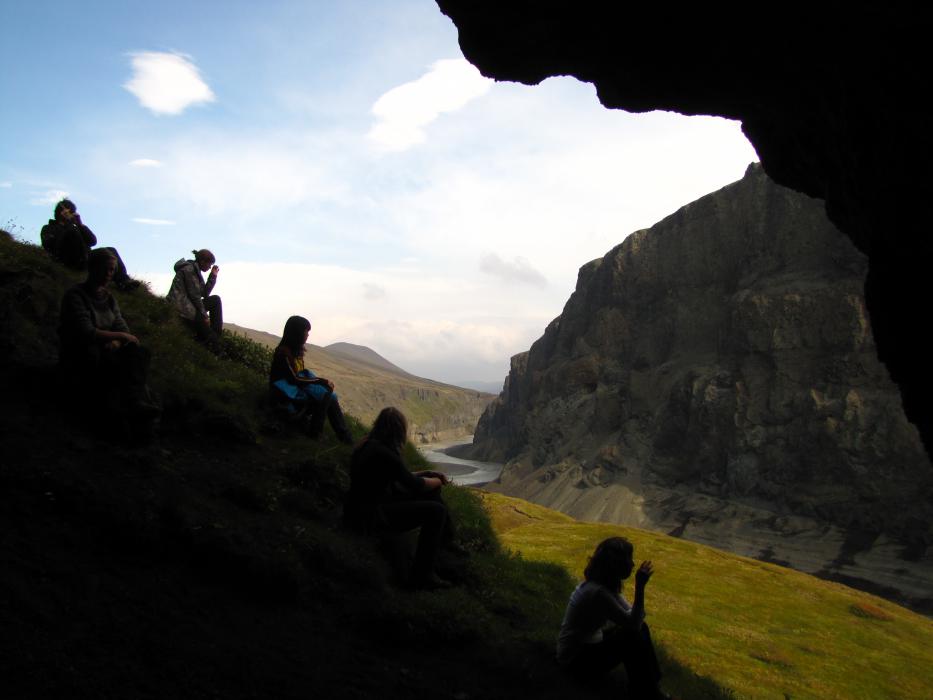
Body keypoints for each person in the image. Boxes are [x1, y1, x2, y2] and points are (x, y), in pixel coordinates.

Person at [344, 407, 458, 589]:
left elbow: (399, 476)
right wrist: (438, 481)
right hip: (372, 517)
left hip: (358, 510)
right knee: (437, 511)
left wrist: (427, 473)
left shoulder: (368, 445)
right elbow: (415, 485)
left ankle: (445, 541)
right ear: (398, 430)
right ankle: (423, 573)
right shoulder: (385, 453)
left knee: (431, 493)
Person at [556, 537, 669, 699]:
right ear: (616, 564)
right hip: (575, 662)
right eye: (629, 559)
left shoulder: (600, 586)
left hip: (580, 650)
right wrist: (640, 587)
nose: (633, 564)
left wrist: (636, 616)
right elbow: (633, 623)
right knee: (632, 635)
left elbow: (635, 618)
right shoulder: (598, 593)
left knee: (639, 629)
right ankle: (646, 691)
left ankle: (649, 687)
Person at [58, 248, 158, 420]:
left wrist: (116, 342)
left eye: (111, 270)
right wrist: (121, 338)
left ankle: (135, 400)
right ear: (92, 268)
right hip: (81, 351)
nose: (108, 274)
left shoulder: (109, 298)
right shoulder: (75, 295)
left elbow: (122, 328)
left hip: (108, 349)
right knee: (96, 355)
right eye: (104, 269)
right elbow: (86, 332)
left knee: (141, 352)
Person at [268, 315, 352, 443]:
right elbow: (294, 379)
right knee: (326, 395)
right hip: (284, 393)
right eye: (306, 331)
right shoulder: (283, 353)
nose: (307, 335)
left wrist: (321, 382)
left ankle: (344, 437)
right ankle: (318, 432)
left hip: (294, 388)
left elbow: (298, 377)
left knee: (330, 396)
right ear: (297, 333)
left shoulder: (296, 351)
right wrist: (321, 381)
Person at [41, 199, 137, 290]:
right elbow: (49, 245)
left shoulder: (76, 228)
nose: (69, 214)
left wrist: (80, 224)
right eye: (68, 211)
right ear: (59, 212)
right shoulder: (48, 228)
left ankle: (123, 281)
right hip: (67, 259)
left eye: (71, 212)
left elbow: (93, 241)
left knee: (111, 250)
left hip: (86, 257)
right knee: (72, 233)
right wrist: (68, 226)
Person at [167, 249, 223, 345]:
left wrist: (213, 276)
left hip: (189, 304)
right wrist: (204, 316)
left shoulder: (196, 271)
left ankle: (215, 336)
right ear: (202, 261)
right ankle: (213, 339)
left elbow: (204, 293)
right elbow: (195, 297)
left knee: (215, 300)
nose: (210, 267)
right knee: (210, 337)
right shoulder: (189, 270)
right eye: (209, 264)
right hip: (181, 307)